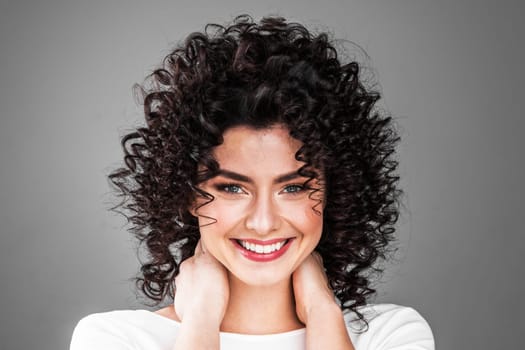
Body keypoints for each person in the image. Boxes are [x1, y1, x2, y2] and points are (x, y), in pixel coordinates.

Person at [71, 15, 434, 350]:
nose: (263, 222)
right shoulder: (116, 339)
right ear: (189, 194)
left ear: (333, 192)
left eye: (293, 187)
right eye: (232, 187)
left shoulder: (392, 335)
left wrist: (323, 312)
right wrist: (201, 320)